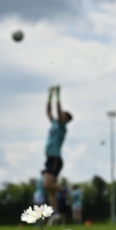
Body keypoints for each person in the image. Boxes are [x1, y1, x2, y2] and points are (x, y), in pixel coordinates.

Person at [43, 85, 73, 220]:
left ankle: (64, 190)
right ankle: (55, 213)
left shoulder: (62, 127)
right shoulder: (55, 124)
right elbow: (49, 112)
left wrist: (58, 96)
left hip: (56, 159)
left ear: (66, 120)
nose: (60, 114)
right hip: (50, 159)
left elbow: (57, 110)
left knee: (47, 184)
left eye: (63, 114)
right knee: (50, 191)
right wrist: (49, 96)